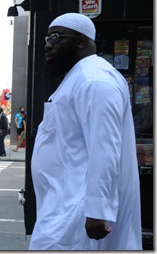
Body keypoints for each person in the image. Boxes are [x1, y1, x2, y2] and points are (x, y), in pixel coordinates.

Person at [29, 13, 141, 250]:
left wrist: (97, 210)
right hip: (64, 203)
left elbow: (106, 148)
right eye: (47, 37)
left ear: (82, 41)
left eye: (57, 37)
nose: (49, 44)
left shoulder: (95, 80)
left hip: (77, 211)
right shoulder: (79, 77)